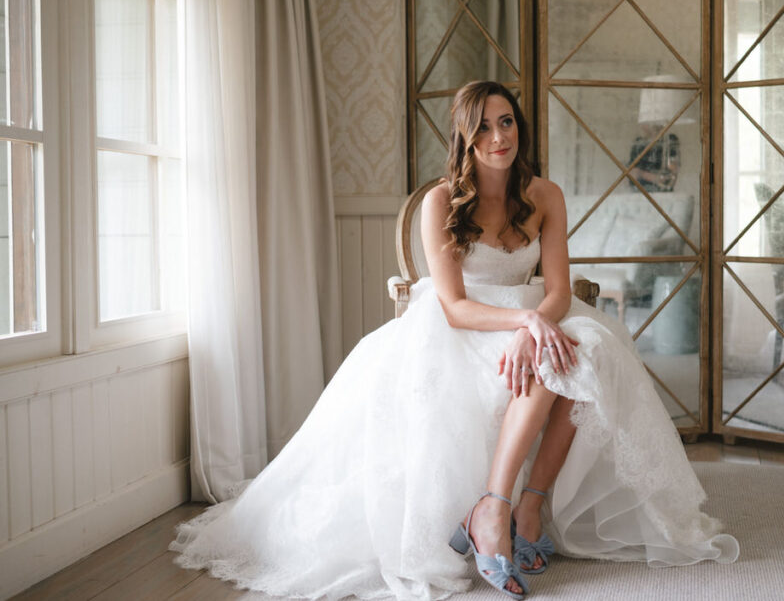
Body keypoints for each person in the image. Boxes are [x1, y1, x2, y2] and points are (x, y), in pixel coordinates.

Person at [170, 80, 738, 600]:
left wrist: (536, 321)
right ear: (466, 136)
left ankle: (528, 510)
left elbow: (561, 290)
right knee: (547, 357)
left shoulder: (546, 195)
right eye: (486, 126)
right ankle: (492, 511)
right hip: (461, 327)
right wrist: (525, 326)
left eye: (508, 122)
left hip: (533, 314)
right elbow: (455, 305)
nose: (499, 136)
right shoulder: (442, 201)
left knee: (589, 351)